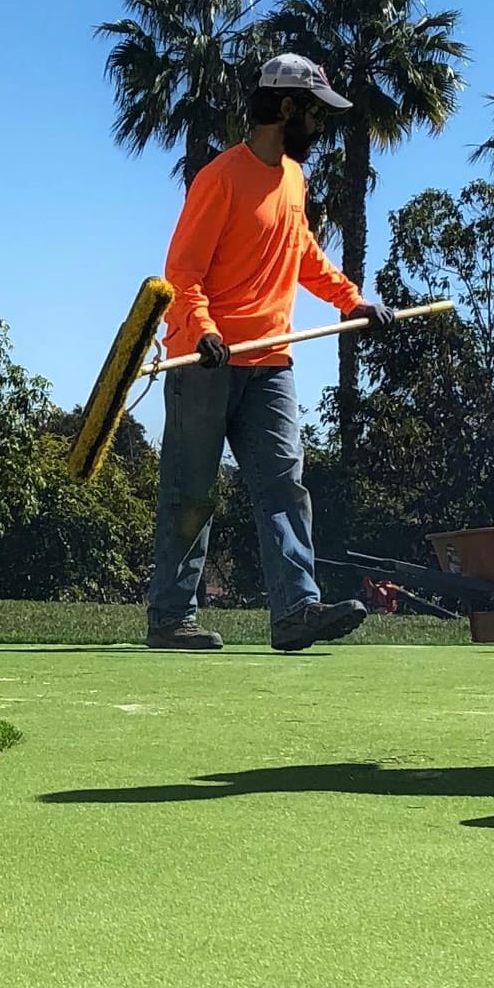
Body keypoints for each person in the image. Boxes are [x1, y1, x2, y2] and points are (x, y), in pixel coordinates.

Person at [143, 54, 386, 651]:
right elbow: (183, 272)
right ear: (285, 108)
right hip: (206, 362)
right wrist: (202, 330)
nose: (321, 127)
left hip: (271, 361)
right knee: (191, 493)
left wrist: (349, 301)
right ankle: (172, 617)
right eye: (315, 113)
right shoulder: (220, 178)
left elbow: (302, 253)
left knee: (284, 486)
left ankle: (296, 611)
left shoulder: (294, 181)